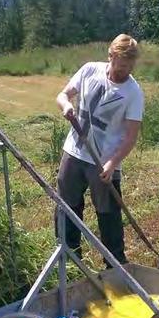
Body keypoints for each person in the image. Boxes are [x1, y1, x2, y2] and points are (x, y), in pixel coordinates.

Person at [55, 34, 144, 266]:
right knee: (67, 204)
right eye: (120, 65)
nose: (123, 72)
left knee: (108, 213)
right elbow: (63, 95)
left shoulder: (133, 93)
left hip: (104, 162)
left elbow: (131, 137)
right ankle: (69, 258)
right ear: (110, 56)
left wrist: (112, 163)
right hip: (74, 152)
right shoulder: (89, 71)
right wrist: (66, 106)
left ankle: (114, 265)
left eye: (128, 67)